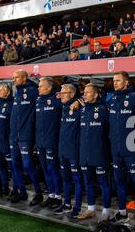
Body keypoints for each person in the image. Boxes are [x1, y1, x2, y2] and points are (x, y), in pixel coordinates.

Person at [107, 72, 135, 230]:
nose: (115, 83)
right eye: (114, 81)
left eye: (118, 81)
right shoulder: (112, 99)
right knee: (119, 182)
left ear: (126, 83)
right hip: (116, 150)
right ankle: (122, 212)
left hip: (132, 149)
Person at [77, 83, 111, 220]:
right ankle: (90, 209)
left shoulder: (103, 109)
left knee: (103, 182)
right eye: (84, 92)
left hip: (99, 153)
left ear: (96, 95)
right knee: (88, 182)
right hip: (84, 153)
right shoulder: (83, 109)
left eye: (87, 92)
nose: (84, 94)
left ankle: (106, 212)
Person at [9, 69, 43, 204]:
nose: (14, 80)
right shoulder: (17, 91)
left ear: (24, 78)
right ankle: (22, 192)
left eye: (16, 77)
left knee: (28, 164)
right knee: (15, 164)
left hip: (26, 135)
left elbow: (37, 112)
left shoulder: (33, 90)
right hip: (14, 136)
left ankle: (38, 193)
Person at [34, 77, 63, 208]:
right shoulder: (38, 100)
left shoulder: (58, 99)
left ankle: (58, 196)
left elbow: (73, 100)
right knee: (45, 169)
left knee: (52, 169)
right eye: (38, 86)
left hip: (52, 141)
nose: (38, 88)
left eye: (41, 86)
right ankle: (51, 195)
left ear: (50, 87)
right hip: (40, 142)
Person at [55, 84, 83, 217]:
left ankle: (77, 207)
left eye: (64, 92)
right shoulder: (63, 107)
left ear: (72, 94)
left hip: (74, 152)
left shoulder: (79, 107)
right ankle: (67, 204)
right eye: (60, 92)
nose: (61, 95)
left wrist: (78, 101)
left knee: (77, 179)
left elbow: (92, 98)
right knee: (65, 179)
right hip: (63, 150)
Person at [0, 84, 17, 199]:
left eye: (1, 90)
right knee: (0, 167)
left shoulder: (11, 105)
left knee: (13, 168)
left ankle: (16, 189)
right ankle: (5, 188)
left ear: (7, 92)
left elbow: (13, 126)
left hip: (6, 144)